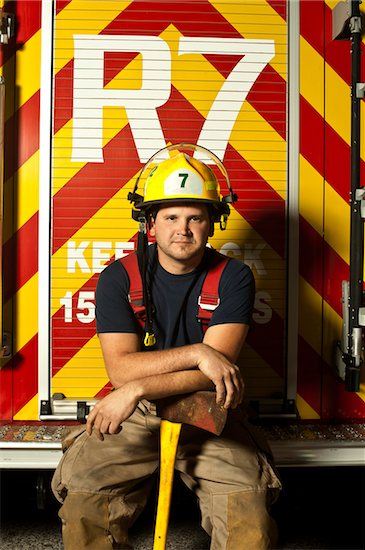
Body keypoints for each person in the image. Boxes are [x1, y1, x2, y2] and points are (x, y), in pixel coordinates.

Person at [52, 144, 281, 549]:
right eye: (171, 217)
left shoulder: (234, 278)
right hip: (135, 416)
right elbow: (120, 371)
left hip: (210, 412)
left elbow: (218, 371)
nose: (184, 229)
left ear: (213, 222)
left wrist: (140, 386)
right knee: (85, 506)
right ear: (150, 225)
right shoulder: (118, 279)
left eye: (196, 217)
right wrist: (197, 353)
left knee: (249, 517)